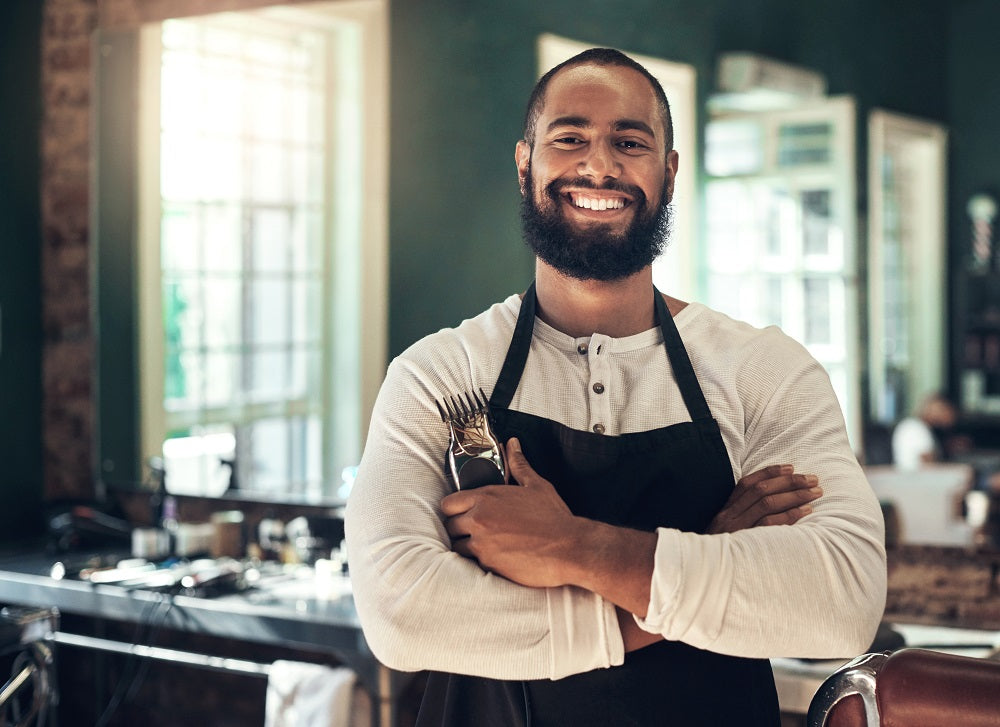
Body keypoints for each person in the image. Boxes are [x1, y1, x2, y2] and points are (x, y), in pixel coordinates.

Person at [345, 48, 886, 726]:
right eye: (570, 138)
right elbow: (403, 614)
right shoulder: (441, 375)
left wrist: (572, 546)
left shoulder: (762, 370)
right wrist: (700, 560)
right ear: (525, 164)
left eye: (630, 143)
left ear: (669, 172)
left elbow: (840, 602)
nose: (599, 166)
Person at [891, 392, 966, 470]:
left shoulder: (916, 426)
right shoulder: (917, 428)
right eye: (946, 411)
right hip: (917, 476)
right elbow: (929, 464)